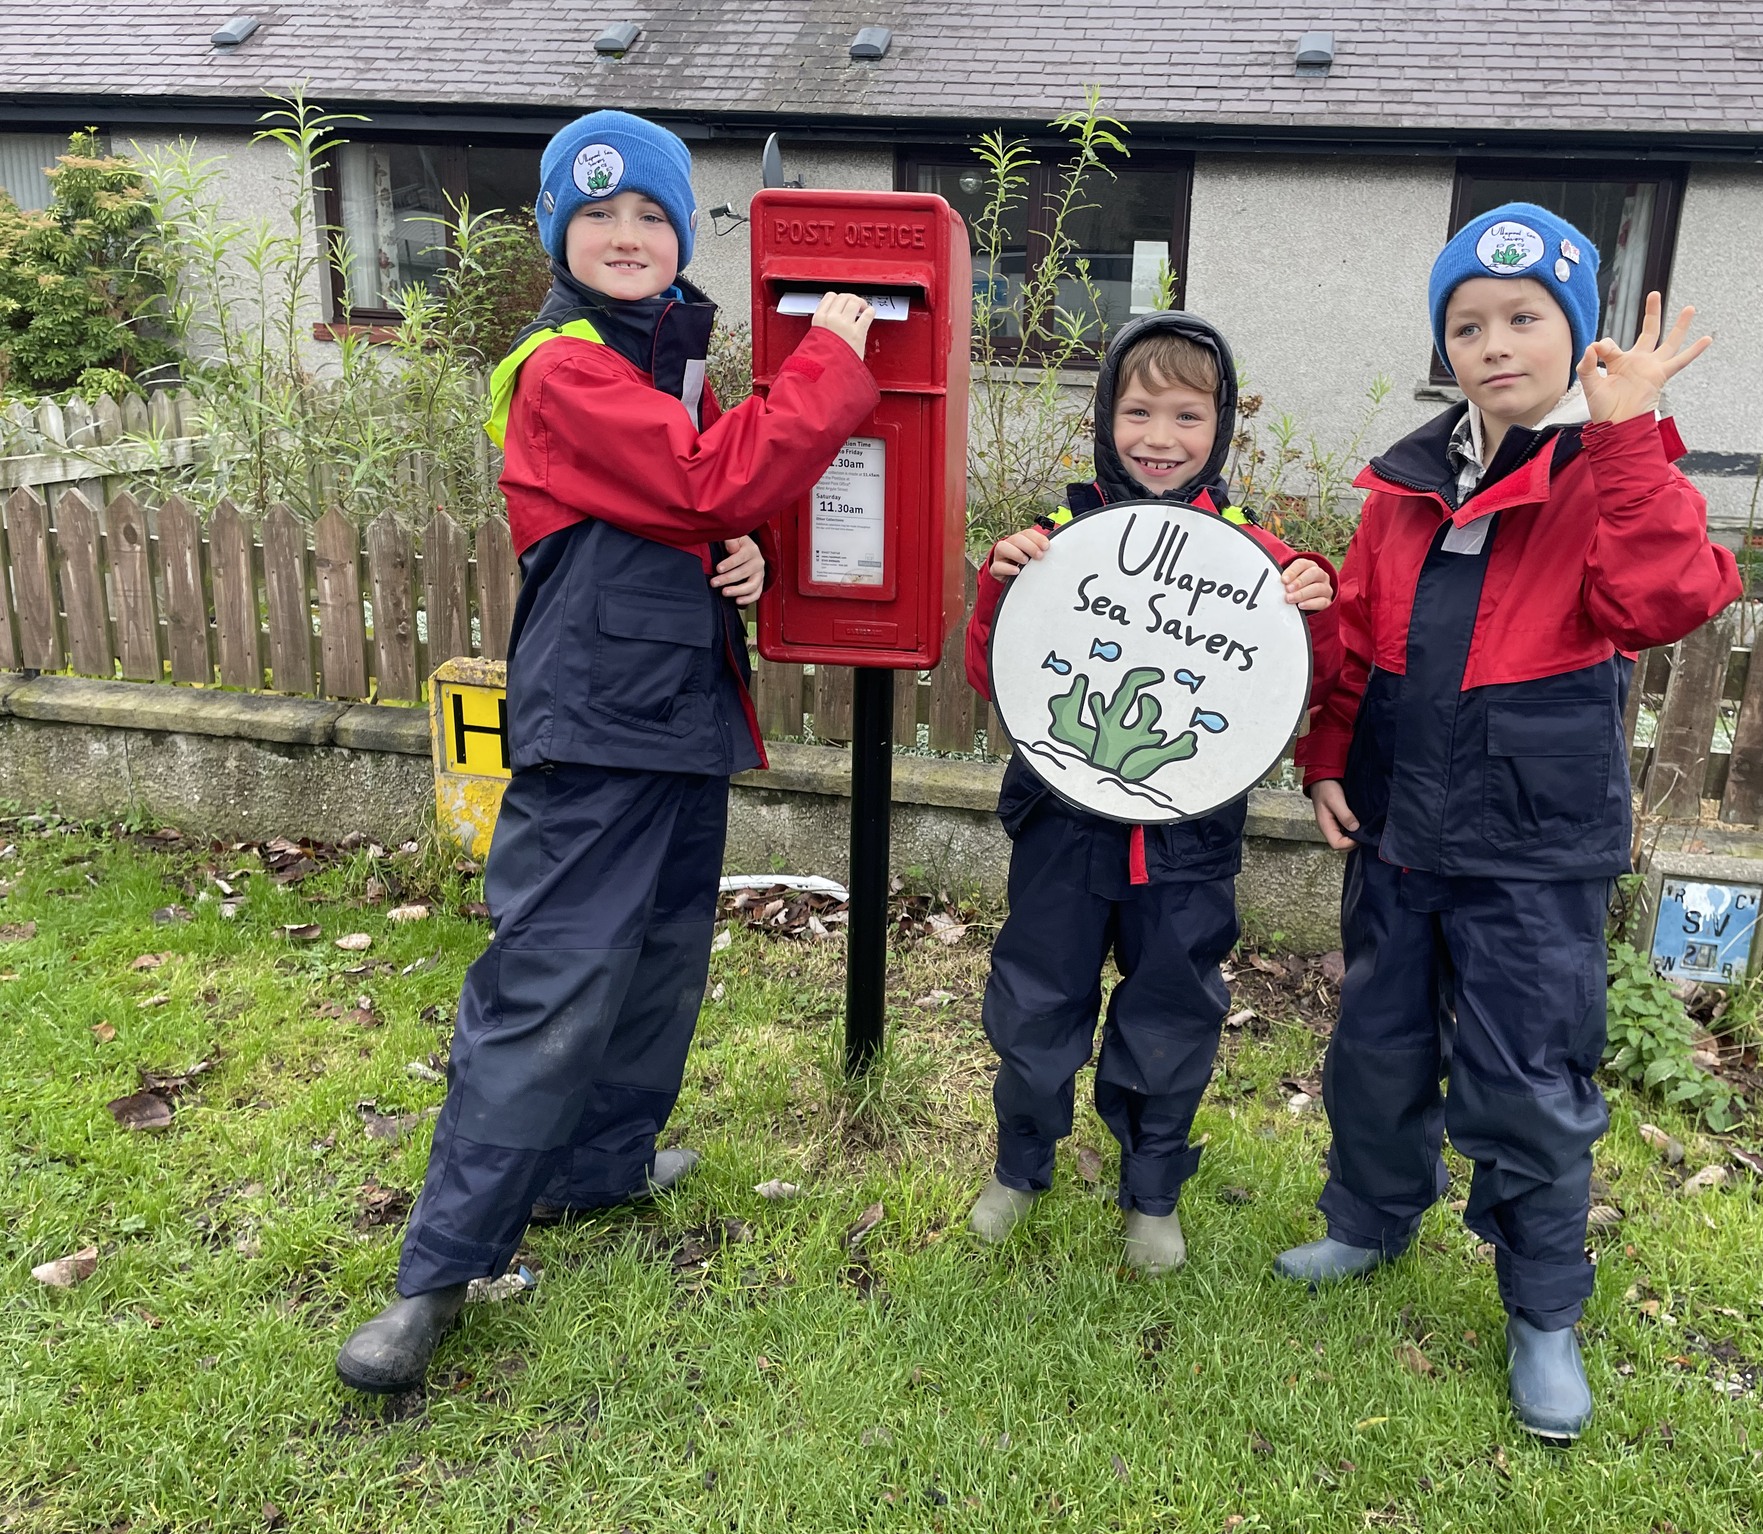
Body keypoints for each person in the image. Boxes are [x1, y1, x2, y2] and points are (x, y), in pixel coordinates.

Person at [336, 110, 880, 1393]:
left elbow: (699, 503)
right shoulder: (559, 367)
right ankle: (438, 1274)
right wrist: (827, 363)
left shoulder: (664, 353)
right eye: (596, 216)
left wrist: (740, 560)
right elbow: (697, 481)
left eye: (650, 215)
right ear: (555, 234)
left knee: (658, 960)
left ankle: (598, 1164)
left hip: (679, 707)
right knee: (550, 980)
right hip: (595, 723)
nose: (626, 235)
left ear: (681, 235)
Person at [1272, 203, 1741, 1441]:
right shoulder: (1404, 485)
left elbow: (1664, 599)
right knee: (1375, 1049)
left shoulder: (1609, 474)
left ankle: (1540, 1312)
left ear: (1575, 336)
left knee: (1528, 1079)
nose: (1494, 344)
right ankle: (1369, 1221)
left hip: (1532, 848)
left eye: (1524, 319)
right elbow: (1360, 638)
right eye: (1467, 323)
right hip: (1396, 833)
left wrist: (1626, 436)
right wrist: (1327, 756)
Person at [962, 311, 1337, 1275]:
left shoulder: (1256, 558)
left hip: (1188, 844)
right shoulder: (1055, 542)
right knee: (1036, 1000)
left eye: (1187, 416)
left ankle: (1154, 1191)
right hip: (1061, 831)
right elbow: (989, 674)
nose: (1159, 438)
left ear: (1221, 427)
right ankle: (1019, 1166)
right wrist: (1000, 587)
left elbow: (1305, 686)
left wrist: (1314, 607)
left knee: (1173, 1010)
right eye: (1137, 412)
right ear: (1104, 416)